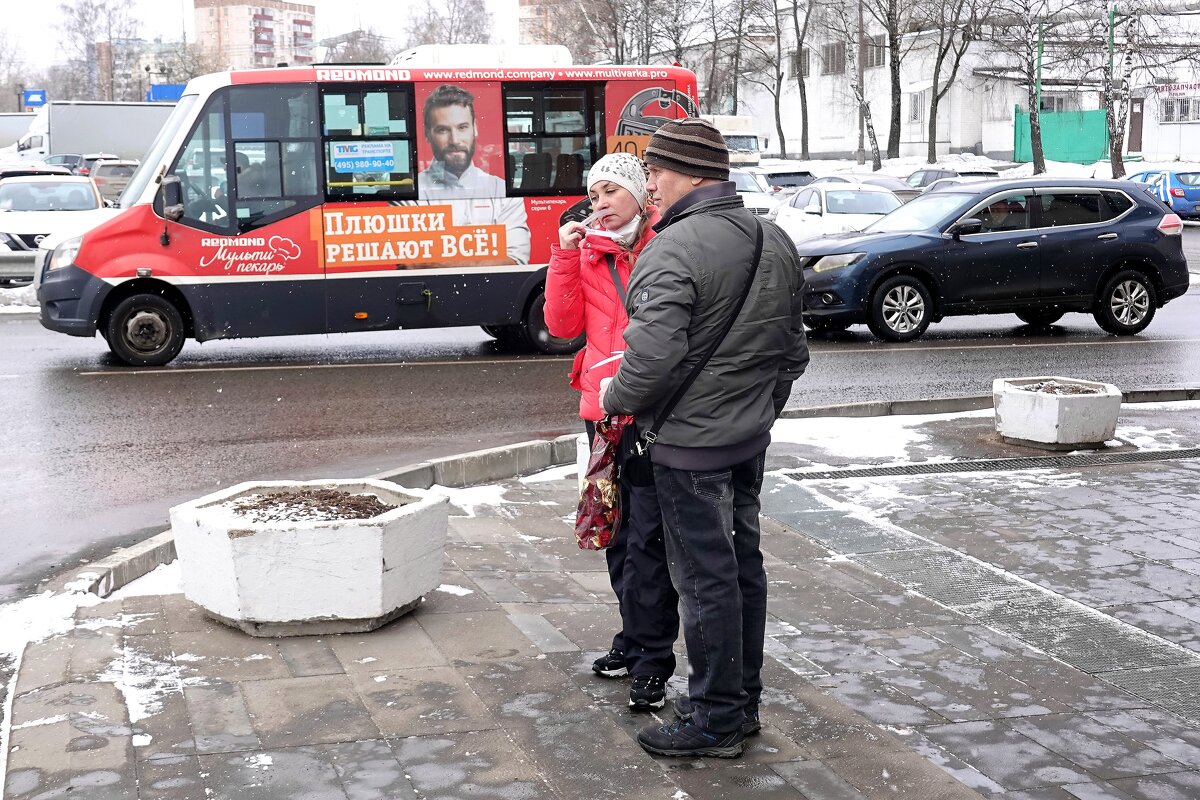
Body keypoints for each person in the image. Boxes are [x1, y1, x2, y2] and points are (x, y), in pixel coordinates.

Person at [600, 118, 809, 759]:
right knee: (742, 568)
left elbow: (651, 358)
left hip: (688, 449)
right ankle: (739, 701)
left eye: (657, 172)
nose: (651, 184)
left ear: (690, 173)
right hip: (745, 440)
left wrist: (615, 400)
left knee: (703, 580)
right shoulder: (772, 239)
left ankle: (715, 717)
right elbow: (791, 354)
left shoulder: (673, 248)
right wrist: (757, 415)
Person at [545, 152, 679, 712]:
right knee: (615, 530)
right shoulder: (588, 252)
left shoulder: (664, 247)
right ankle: (633, 635)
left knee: (648, 536)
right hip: (600, 414)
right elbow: (561, 326)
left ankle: (653, 660)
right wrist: (563, 254)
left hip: (649, 409)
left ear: (640, 197)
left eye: (609, 193)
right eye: (593, 194)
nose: (597, 204)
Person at [417, 84, 530, 265]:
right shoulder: (412, 193)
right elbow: (415, 262)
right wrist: (483, 260)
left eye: (462, 127)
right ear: (427, 134)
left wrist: (445, 260)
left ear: (474, 129)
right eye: (443, 130)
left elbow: (515, 261)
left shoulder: (503, 191)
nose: (455, 141)